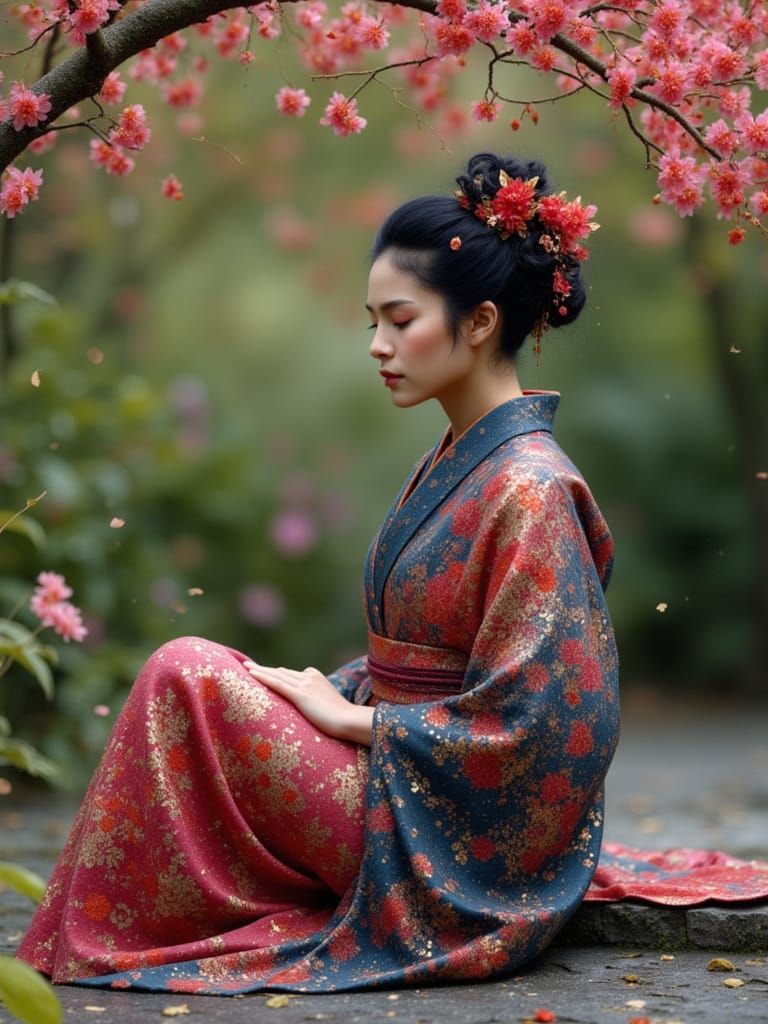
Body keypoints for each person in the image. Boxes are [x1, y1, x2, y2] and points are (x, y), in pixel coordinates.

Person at [16, 153, 767, 996]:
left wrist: (362, 723)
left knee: (182, 673)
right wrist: (335, 697)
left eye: (400, 320)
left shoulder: (530, 489)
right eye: (372, 320)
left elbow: (554, 726)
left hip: (456, 840)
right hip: (398, 780)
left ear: (479, 322)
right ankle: (94, 930)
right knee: (205, 674)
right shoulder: (458, 459)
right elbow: (417, 661)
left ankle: (88, 936)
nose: (378, 345)